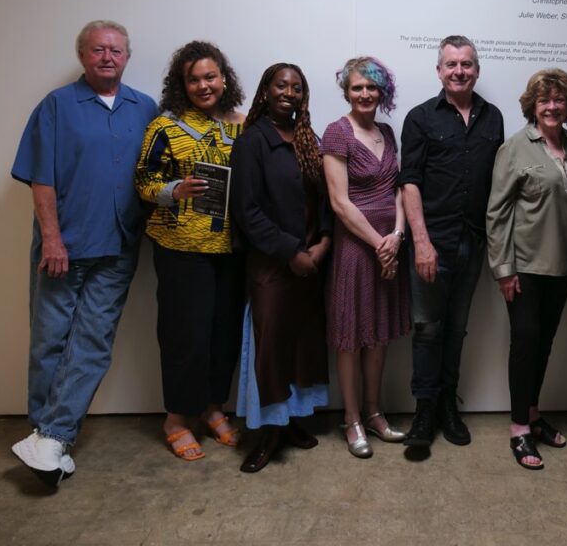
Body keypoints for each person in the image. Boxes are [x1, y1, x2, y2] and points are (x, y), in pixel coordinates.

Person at [10, 20, 157, 487]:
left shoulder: (145, 108)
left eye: (115, 50)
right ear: (82, 56)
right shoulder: (56, 106)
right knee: (50, 341)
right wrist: (52, 238)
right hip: (65, 246)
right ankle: (46, 436)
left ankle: (50, 439)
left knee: (93, 344)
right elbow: (40, 178)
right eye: (97, 49)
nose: (107, 57)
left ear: (127, 57)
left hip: (118, 246)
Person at [135, 41, 245, 462]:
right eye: (193, 79)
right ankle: (177, 419)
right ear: (182, 85)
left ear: (224, 79)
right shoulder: (165, 127)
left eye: (210, 77)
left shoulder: (243, 125)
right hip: (181, 247)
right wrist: (174, 190)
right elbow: (143, 181)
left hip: (231, 248)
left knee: (223, 334)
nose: (203, 85)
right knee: (187, 337)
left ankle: (212, 408)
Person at [398, 35, 504, 450]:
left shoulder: (493, 118)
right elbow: (409, 182)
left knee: (456, 329)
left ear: (477, 70)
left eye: (466, 64)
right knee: (427, 330)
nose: (459, 71)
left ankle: (447, 406)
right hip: (432, 242)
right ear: (439, 71)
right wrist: (421, 243)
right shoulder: (420, 117)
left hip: (473, 243)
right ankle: (424, 413)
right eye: (452, 64)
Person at [486, 69, 567, 471]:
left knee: (544, 342)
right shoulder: (515, 147)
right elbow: (496, 212)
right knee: (526, 342)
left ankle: (532, 412)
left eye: (559, 99)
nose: (552, 106)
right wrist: (503, 269)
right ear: (533, 106)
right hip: (525, 265)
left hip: (564, 265)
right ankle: (518, 428)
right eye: (544, 100)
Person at [231, 63, 332, 473]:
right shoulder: (252, 141)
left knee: (302, 345)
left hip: (311, 261)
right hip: (272, 263)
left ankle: (290, 423)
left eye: (297, 87)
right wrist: (292, 251)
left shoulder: (309, 139)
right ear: (265, 91)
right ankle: (269, 432)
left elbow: (324, 198)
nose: (289, 93)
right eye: (281, 85)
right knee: (269, 345)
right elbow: (247, 211)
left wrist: (323, 242)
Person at [322, 56, 410, 459]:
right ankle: (352, 418)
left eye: (371, 87)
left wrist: (398, 235)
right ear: (347, 91)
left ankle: (375, 413)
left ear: (382, 91)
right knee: (351, 337)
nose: (364, 94)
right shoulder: (337, 132)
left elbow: (397, 190)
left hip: (390, 246)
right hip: (357, 250)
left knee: (378, 334)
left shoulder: (387, 132)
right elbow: (339, 203)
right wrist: (380, 244)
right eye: (357, 87)